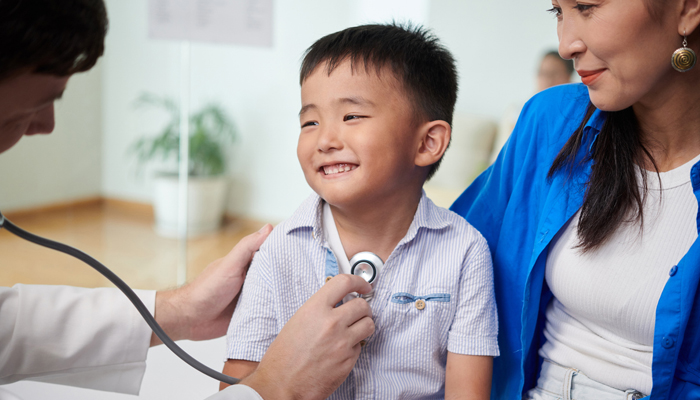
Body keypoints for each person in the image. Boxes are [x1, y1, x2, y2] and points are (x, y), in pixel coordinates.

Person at [0, 1, 375, 399]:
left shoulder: (450, 249)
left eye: (353, 117)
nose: (46, 125)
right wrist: (275, 388)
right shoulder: (288, 246)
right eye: (34, 106)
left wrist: (182, 310)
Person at [221, 24, 499, 399]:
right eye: (310, 122)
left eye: (351, 117)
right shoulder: (277, 252)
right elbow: (238, 389)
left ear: (428, 143)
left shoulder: (465, 253)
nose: (325, 140)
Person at [452, 0, 700, 399]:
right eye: (558, 12)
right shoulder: (550, 121)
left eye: (586, 7)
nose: (566, 44)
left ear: (687, 9)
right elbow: (448, 257)